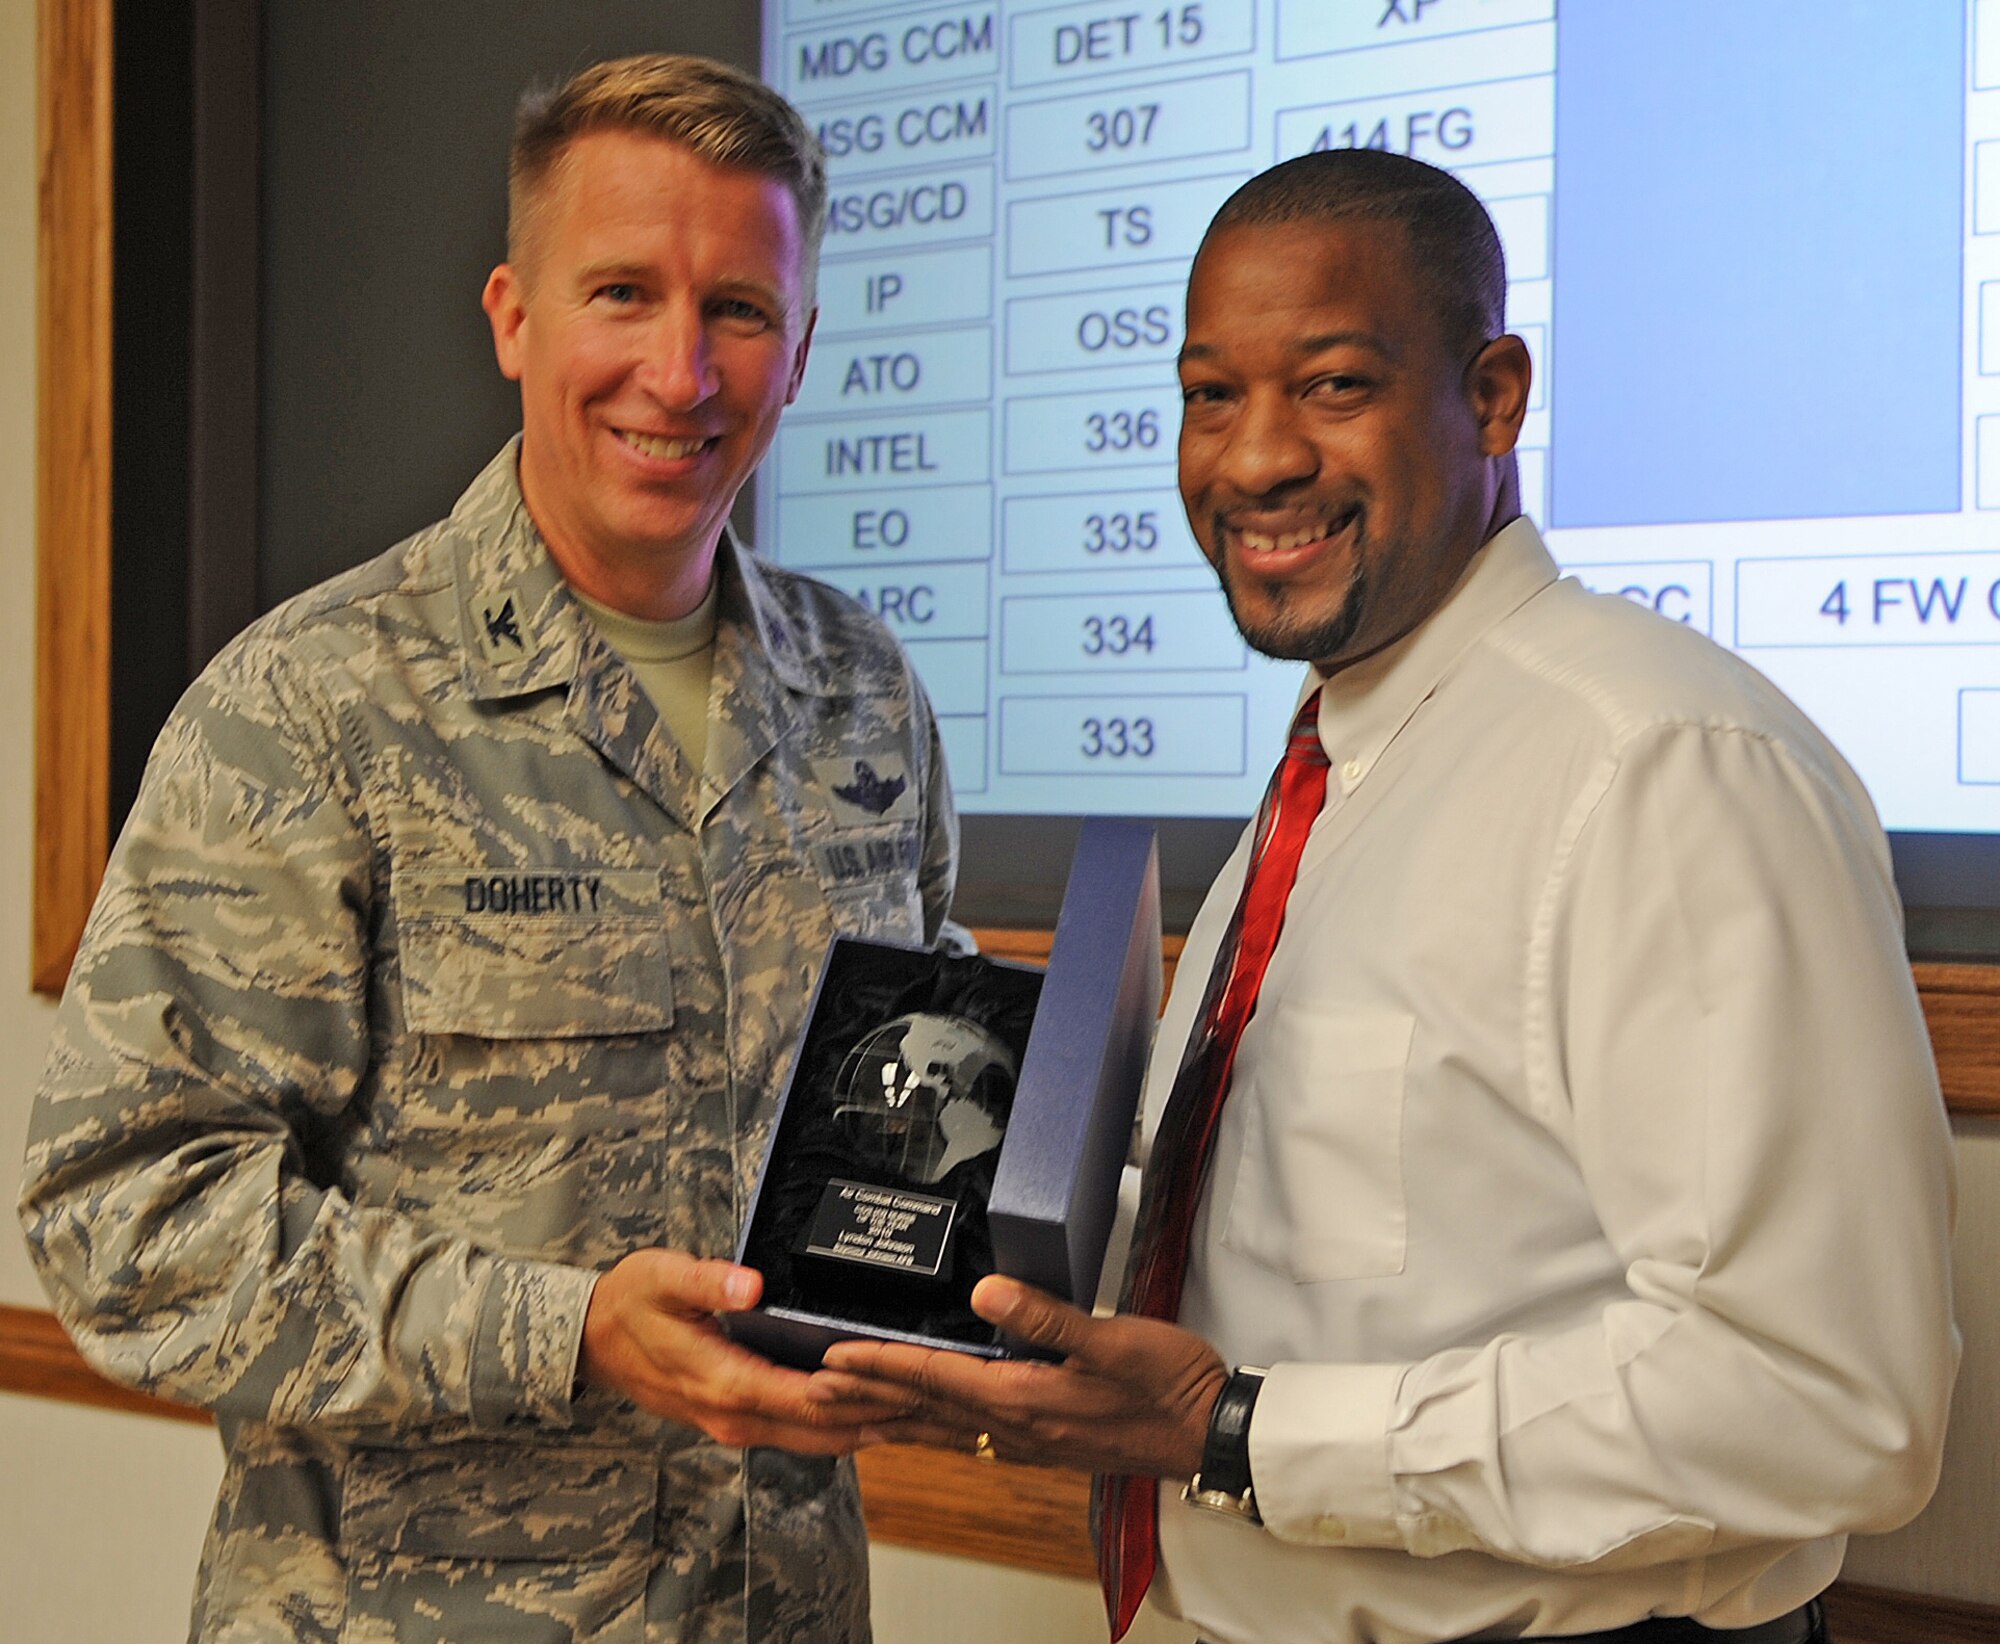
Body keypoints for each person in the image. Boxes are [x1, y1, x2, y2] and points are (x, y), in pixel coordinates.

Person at [809, 150, 1960, 1644]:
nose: (1253, 459)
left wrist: (1241, 1434)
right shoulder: (1338, 767)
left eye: (1334, 386)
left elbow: (1827, 1397)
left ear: (1493, 397)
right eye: (1210, 394)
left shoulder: (1665, 766)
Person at [18, 54, 955, 1643]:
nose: (681, 369)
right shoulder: (311, 709)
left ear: (799, 351)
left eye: (737, 309)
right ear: (515, 318)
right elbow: (125, 1222)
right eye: (621, 295)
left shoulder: (863, 702)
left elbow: (909, 1132)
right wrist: (566, 1329)